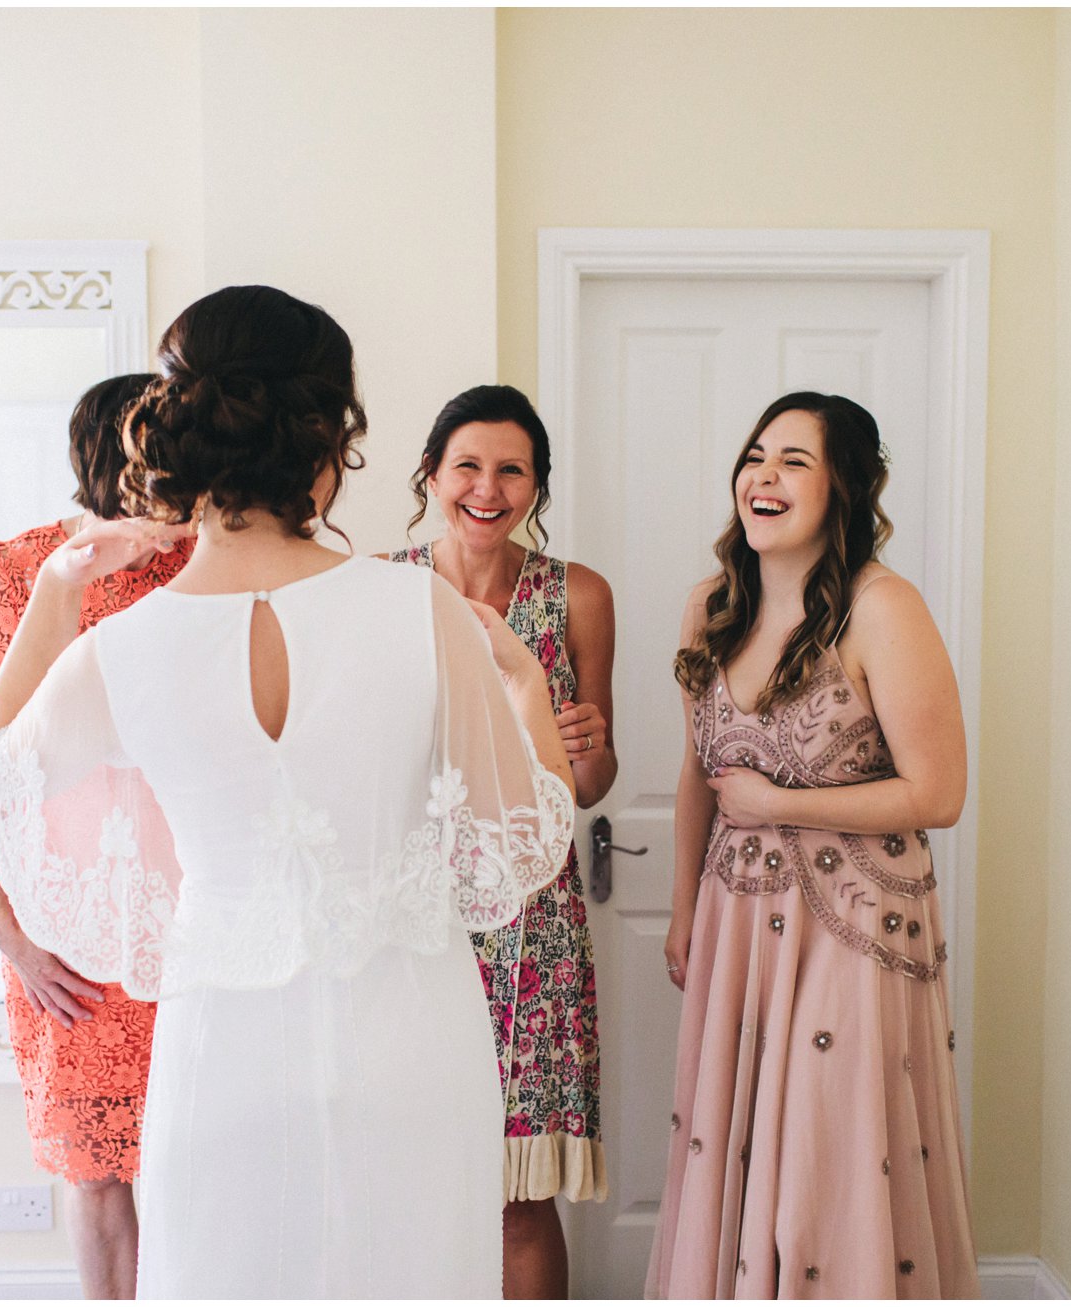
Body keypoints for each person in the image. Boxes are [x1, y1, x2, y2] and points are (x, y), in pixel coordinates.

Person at [0, 285, 577, 1298]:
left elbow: (5, 766)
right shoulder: (418, 606)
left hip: (227, 1049)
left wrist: (55, 592)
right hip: (413, 1043)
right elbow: (526, 832)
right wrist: (525, 688)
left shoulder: (121, 647)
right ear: (328, 436)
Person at [646, 392, 979, 1298]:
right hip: (734, 924)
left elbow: (938, 792)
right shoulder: (708, 608)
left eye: (795, 459)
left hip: (851, 926)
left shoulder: (881, 608)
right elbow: (696, 777)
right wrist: (682, 912)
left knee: (826, 1159)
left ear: (842, 487)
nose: (765, 475)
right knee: (738, 1141)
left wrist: (784, 801)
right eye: (757, 455)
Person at [0, 373, 191, 1300]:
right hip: (64, 928)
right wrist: (7, 931)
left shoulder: (204, 568)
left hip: (191, 918)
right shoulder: (17, 570)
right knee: (99, 1178)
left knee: (194, 1164)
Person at [385, 384, 611, 1299]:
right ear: (432, 475)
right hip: (414, 914)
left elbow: (590, 785)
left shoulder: (575, 596)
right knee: (412, 1173)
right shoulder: (383, 588)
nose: (488, 486)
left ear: (537, 486)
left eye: (511, 468)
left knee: (520, 1196)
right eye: (467, 465)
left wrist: (585, 748)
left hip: (533, 926)